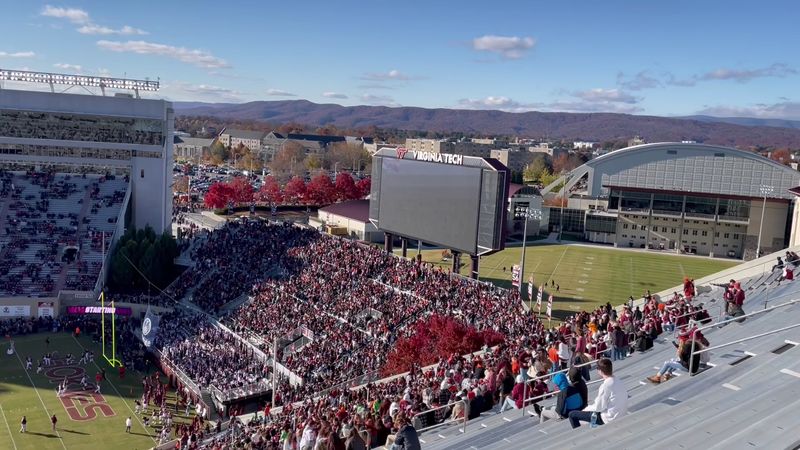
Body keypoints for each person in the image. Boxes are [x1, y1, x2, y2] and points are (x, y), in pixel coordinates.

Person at [568, 358, 627, 428]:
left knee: (572, 415)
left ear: (600, 371)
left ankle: (578, 433)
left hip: (609, 418)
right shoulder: (618, 381)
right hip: (621, 414)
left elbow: (598, 407)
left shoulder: (606, 385)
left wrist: (585, 410)